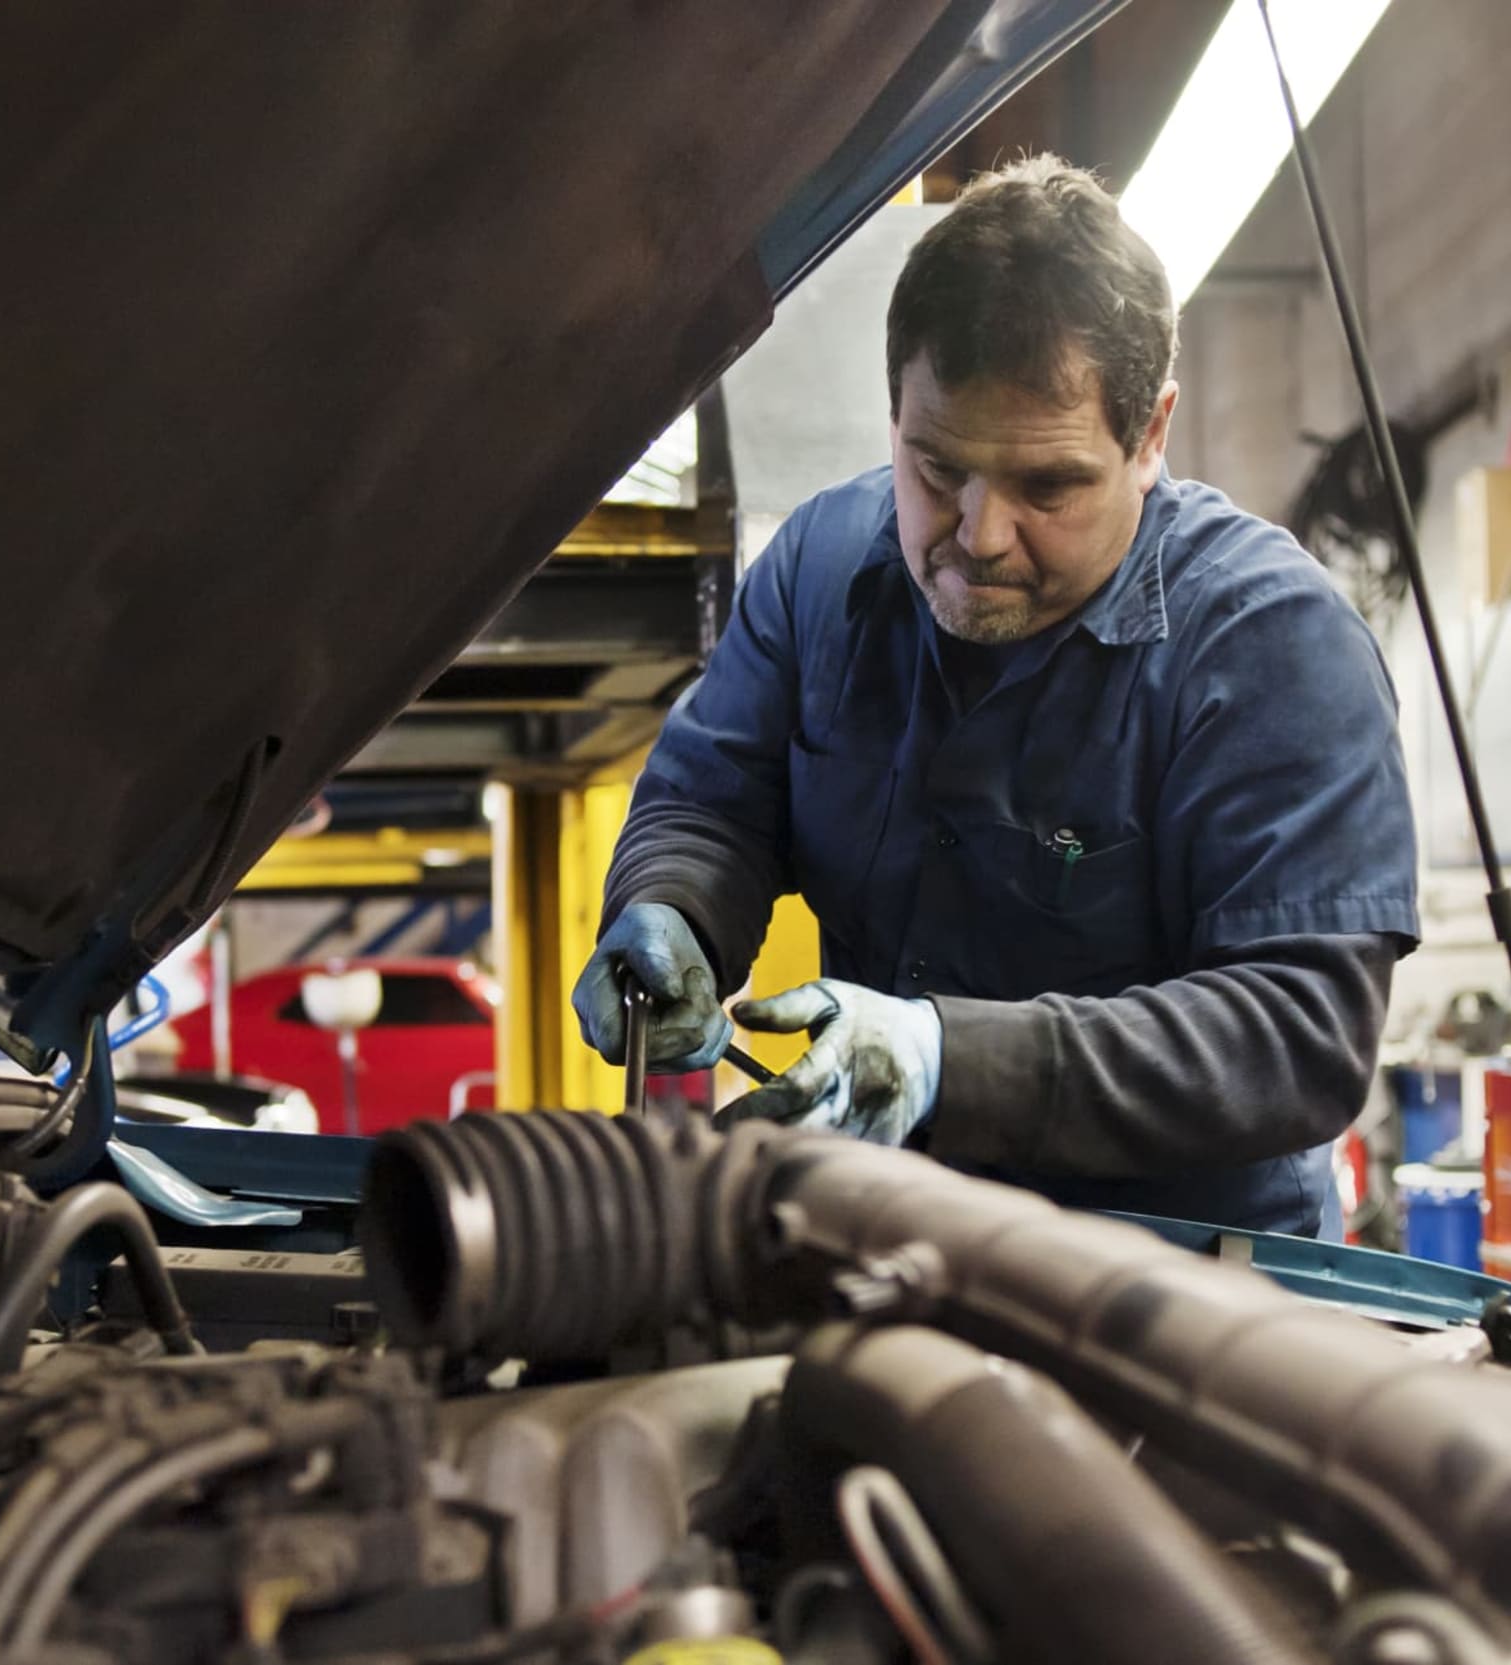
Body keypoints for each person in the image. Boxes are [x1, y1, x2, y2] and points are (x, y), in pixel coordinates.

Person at [571, 155, 1418, 1237]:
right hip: (884, 1246)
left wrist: (948, 1058)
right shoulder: (819, 574)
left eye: (1047, 485)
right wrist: (673, 907)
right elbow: (712, 804)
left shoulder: (1270, 648)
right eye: (937, 470)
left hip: (1180, 1294)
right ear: (893, 415)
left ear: (1150, 435)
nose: (979, 536)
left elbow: (1298, 1035)